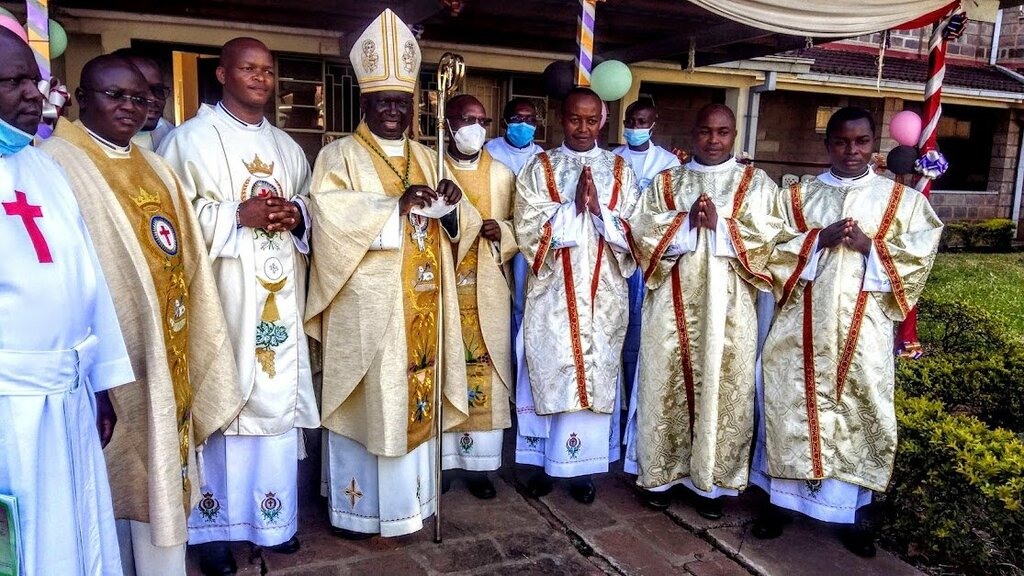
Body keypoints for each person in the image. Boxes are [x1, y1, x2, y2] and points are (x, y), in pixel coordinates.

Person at [40, 55, 241, 576]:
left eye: (139, 98)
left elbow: (189, 252)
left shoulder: (153, 164)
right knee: (110, 466)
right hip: (106, 350)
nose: (130, 107)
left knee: (158, 464)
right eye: (114, 96)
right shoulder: (57, 160)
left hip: (166, 342)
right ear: (84, 98)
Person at [305, 8, 477, 538]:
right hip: (370, 309)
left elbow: (462, 223)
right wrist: (390, 208)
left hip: (423, 305)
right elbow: (327, 219)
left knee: (412, 396)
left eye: (401, 103)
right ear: (365, 102)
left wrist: (451, 204)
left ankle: (411, 505)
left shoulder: (430, 157)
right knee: (373, 402)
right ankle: (358, 510)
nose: (392, 112)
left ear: (412, 107)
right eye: (383, 103)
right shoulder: (339, 155)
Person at [158, 37, 320, 573]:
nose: (261, 78)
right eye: (248, 68)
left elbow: (312, 205)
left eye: (268, 71)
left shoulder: (289, 147)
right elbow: (170, 224)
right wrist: (236, 215)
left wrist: (298, 214)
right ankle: (214, 533)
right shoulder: (188, 141)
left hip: (278, 299)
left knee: (275, 410)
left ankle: (273, 521)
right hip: (223, 302)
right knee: (224, 405)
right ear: (222, 74)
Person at [752, 106, 942, 556]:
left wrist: (869, 247)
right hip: (799, 329)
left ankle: (852, 512)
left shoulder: (902, 200)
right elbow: (765, 247)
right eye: (840, 141)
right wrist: (815, 239)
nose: (851, 150)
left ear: (874, 144)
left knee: (861, 409)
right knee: (791, 405)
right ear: (827, 144)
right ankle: (780, 502)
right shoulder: (797, 197)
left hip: (865, 331)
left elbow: (919, 252)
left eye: (860, 141)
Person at [0, 28, 134, 576]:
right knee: (29, 541)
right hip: (13, 406)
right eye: (14, 81)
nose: (35, 94)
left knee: (78, 532)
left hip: (71, 392)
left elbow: (88, 276)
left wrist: (100, 385)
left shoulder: (42, 166)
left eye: (35, 79)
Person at [625, 103, 781, 519]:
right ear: (692, 133)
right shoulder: (666, 182)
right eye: (706, 131)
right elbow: (641, 232)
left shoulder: (756, 183)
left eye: (723, 132)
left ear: (735, 135)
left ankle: (709, 485)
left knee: (723, 386)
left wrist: (723, 226)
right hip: (669, 308)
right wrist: (684, 224)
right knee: (665, 384)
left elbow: (772, 240)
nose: (714, 140)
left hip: (729, 310)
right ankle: (660, 475)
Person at [514, 87, 637, 504]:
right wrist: (571, 208)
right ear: (559, 119)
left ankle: (583, 470)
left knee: (596, 369)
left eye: (590, 120)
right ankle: (545, 465)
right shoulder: (539, 166)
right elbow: (527, 228)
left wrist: (599, 210)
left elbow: (638, 231)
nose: (582, 128)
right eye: (573, 119)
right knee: (551, 368)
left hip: (603, 293)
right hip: (552, 294)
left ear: (603, 121)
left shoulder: (621, 169)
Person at [441, 94, 516, 499]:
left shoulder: (502, 174)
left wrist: (501, 231)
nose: (474, 127)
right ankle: (443, 462)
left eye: (481, 120)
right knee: (443, 364)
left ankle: (480, 467)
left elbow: (520, 225)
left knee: (484, 367)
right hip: (440, 285)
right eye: (465, 119)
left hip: (487, 287)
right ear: (448, 124)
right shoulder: (430, 166)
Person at [612, 98, 681, 406]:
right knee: (615, 322)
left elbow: (671, 210)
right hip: (617, 251)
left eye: (642, 122)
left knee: (642, 328)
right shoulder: (613, 158)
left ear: (654, 124)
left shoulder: (668, 163)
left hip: (649, 256)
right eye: (631, 121)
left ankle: (640, 399)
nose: (635, 128)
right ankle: (618, 399)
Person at [484, 97, 543, 401]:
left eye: (530, 119)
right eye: (518, 118)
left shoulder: (543, 158)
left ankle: (524, 385)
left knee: (524, 309)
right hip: (492, 240)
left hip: (528, 245)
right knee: (497, 311)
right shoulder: (489, 153)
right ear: (505, 121)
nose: (524, 124)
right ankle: (501, 380)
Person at [112, 49, 175, 151]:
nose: (152, 98)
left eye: (158, 90)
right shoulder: (83, 146)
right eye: (139, 90)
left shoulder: (168, 132)